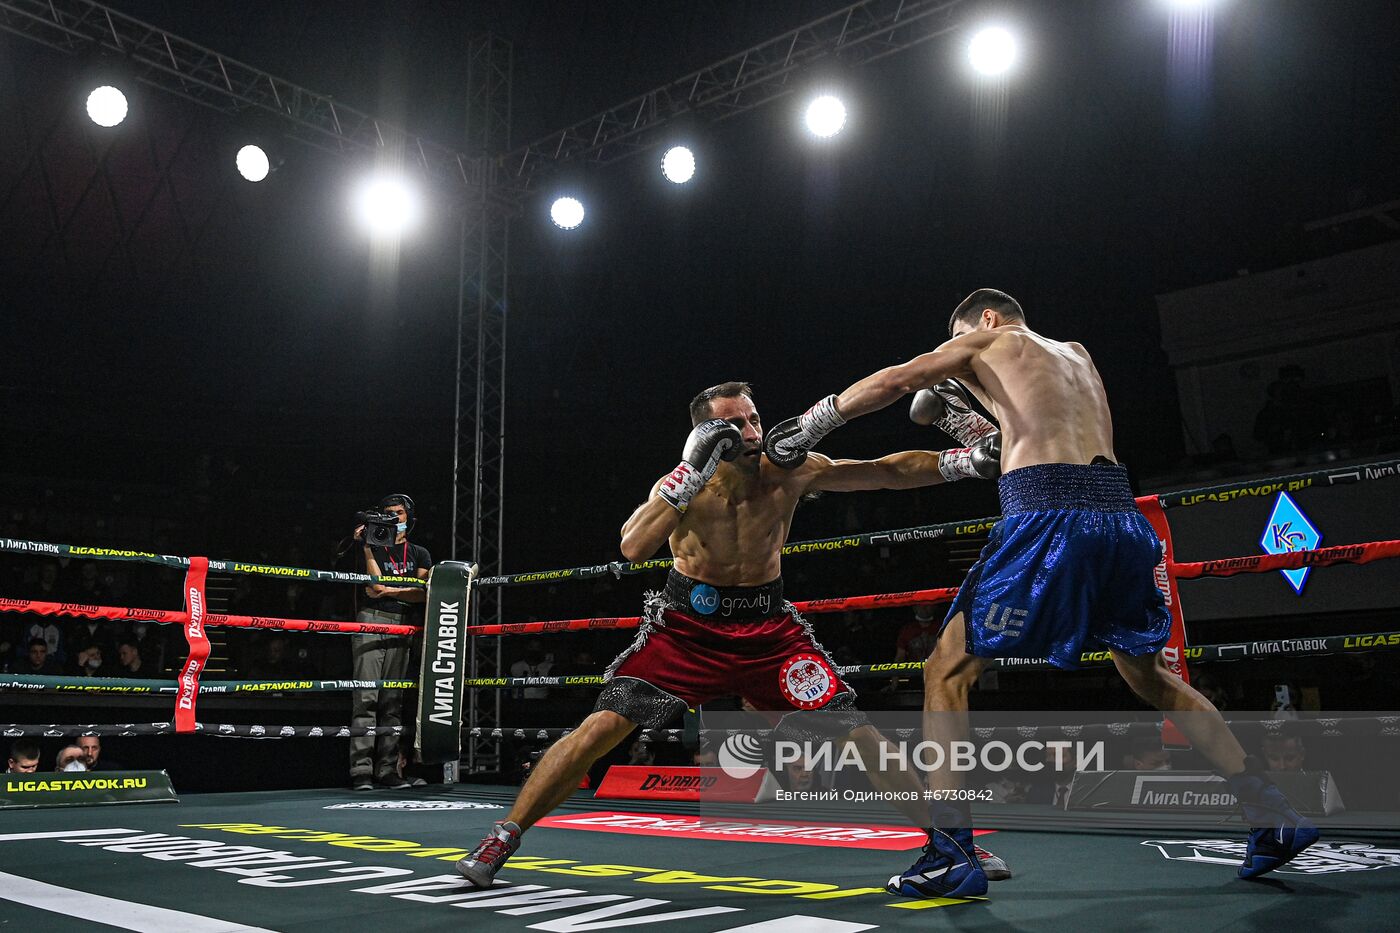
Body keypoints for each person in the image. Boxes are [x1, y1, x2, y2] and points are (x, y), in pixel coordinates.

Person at [767, 288, 1318, 897]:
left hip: (1048, 515)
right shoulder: (1077, 355)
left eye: (959, 338)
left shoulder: (992, 338)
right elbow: (1031, 429)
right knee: (1149, 675)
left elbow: (898, 380)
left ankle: (950, 853)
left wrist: (813, 423)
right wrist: (968, 411)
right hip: (1119, 516)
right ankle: (1271, 814)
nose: (959, 350)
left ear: (988, 318)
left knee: (945, 673)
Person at [456, 381, 1007, 888]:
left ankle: (951, 843)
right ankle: (502, 837)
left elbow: (884, 471)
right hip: (687, 632)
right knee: (602, 727)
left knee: (858, 733)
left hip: (771, 632)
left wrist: (962, 462)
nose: (750, 433)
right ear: (704, 435)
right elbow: (631, 547)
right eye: (732, 424)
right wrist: (684, 475)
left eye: (753, 418)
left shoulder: (789, 469)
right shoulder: (684, 485)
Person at [344, 494, 432, 791]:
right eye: (388, 514)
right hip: (371, 618)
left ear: (410, 518)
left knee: (393, 701)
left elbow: (422, 593)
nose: (394, 518)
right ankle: (361, 772)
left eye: (399, 513)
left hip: (404, 623)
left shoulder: (419, 553)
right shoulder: (370, 547)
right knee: (366, 697)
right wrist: (368, 546)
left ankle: (387, 770)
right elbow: (374, 584)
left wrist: (390, 592)